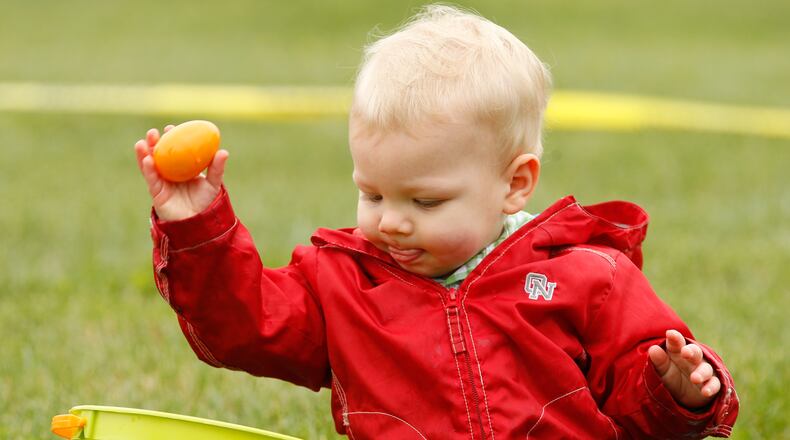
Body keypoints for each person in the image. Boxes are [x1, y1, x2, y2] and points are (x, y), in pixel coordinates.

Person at [134, 5, 738, 438]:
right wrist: (197, 228)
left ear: (515, 184)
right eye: (371, 194)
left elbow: (637, 399)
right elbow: (241, 325)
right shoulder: (345, 285)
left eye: (424, 203)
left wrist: (678, 392)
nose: (390, 223)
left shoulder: (585, 276)